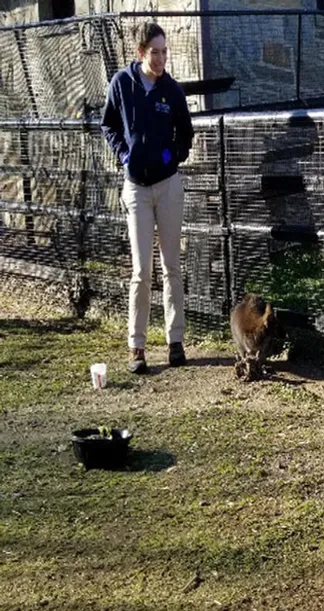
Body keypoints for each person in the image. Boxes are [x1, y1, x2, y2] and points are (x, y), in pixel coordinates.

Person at [100, 21, 193, 374]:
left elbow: (186, 134)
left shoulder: (172, 91)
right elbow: (108, 124)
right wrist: (125, 155)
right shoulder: (121, 84)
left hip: (168, 186)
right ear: (141, 52)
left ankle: (175, 341)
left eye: (164, 52)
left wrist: (172, 156)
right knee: (141, 270)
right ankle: (136, 347)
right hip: (136, 188)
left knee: (172, 266)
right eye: (155, 52)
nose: (161, 59)